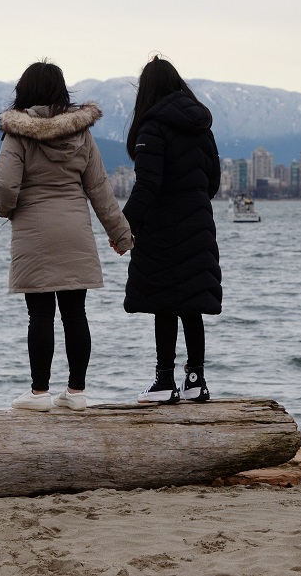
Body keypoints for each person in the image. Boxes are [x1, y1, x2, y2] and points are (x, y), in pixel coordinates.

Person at [0, 60, 133, 412]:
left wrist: (4, 208)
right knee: (75, 313)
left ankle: (39, 393)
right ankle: (76, 392)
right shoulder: (81, 133)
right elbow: (100, 188)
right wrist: (121, 235)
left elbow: (7, 187)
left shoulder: (17, 133)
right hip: (75, 231)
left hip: (34, 232)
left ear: (25, 91)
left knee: (39, 315)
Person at [122, 56, 222, 404]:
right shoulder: (202, 127)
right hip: (198, 224)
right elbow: (213, 182)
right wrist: (191, 205)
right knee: (192, 303)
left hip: (163, 229)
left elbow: (148, 186)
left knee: (163, 302)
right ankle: (196, 380)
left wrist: (124, 226)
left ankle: (164, 381)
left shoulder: (152, 128)